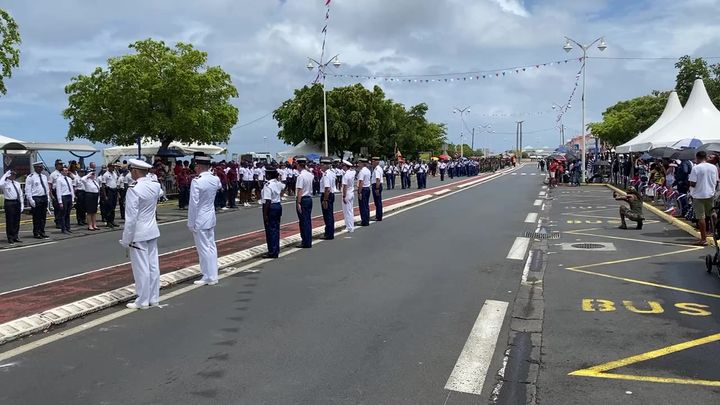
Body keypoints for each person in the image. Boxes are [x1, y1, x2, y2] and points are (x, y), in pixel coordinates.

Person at [120, 159, 162, 310]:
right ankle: (154, 297)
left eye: (132, 170)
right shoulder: (155, 185)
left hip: (138, 232)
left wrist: (126, 239)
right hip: (152, 229)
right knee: (153, 266)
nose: (131, 173)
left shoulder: (134, 188)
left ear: (136, 171)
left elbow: (131, 218)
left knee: (141, 268)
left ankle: (142, 300)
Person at [188, 155, 222, 285]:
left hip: (200, 218)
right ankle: (213, 275)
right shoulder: (215, 179)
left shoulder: (197, 181)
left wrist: (191, 222)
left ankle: (208, 275)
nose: (195, 169)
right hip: (210, 216)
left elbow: (193, 204)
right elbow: (218, 186)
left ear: (199, 166)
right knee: (211, 246)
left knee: (203, 249)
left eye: (196, 166)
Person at [689, 150, 719, 245]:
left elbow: (693, 183)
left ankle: (703, 239)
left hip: (698, 195)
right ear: (705, 157)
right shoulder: (713, 167)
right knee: (712, 213)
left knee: (701, 217)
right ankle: (716, 231)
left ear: (697, 158)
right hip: (710, 193)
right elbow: (716, 181)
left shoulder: (696, 168)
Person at [261, 167, 285, 258]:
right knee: (276, 229)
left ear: (269, 174)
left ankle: (272, 251)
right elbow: (284, 187)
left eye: (266, 173)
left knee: (270, 230)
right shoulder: (278, 183)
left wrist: (265, 214)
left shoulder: (268, 185)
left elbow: (267, 201)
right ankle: (276, 249)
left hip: (270, 207)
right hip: (278, 205)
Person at [25, 161, 50, 239]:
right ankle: (36, 232)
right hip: (36, 198)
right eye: (39, 167)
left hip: (43, 197)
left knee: (43, 216)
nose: (41, 168)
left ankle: (42, 231)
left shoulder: (44, 176)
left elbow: (46, 188)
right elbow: (28, 190)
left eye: (41, 167)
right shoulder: (30, 177)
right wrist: (30, 200)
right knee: (37, 217)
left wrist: (48, 196)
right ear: (35, 167)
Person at [295, 156, 314, 248]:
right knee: (307, 220)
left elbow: (300, 190)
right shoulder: (309, 175)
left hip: (302, 199)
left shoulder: (301, 176)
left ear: (299, 165)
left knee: (303, 221)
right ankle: (308, 240)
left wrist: (298, 202)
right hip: (309, 198)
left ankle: (305, 241)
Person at [0, 169, 24, 244]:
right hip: (9, 202)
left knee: (17, 221)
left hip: (17, 202)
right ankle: (10, 237)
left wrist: (22, 204)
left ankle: (15, 236)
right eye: (12, 174)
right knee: (10, 221)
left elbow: (20, 194)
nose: (13, 176)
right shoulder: (5, 184)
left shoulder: (17, 183)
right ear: (9, 175)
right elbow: (0, 184)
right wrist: (5, 175)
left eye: (14, 174)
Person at [319, 157, 337, 240]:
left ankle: (328, 234)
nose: (320, 166)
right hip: (331, 195)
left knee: (327, 215)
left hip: (327, 195)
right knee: (329, 214)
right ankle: (330, 232)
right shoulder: (332, 173)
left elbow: (327, 188)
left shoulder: (326, 174)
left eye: (321, 164)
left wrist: (325, 200)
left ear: (325, 165)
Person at [55, 167, 75, 234]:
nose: (66, 172)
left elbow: (71, 189)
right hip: (63, 197)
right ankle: (63, 229)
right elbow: (58, 191)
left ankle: (68, 227)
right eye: (65, 171)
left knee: (68, 214)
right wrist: (60, 201)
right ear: (62, 172)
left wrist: (72, 199)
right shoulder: (59, 180)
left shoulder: (69, 179)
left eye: (67, 171)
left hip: (69, 196)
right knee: (63, 214)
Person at [101, 162, 119, 228]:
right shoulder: (105, 175)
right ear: (109, 167)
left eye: (114, 167)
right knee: (109, 207)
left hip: (114, 190)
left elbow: (116, 183)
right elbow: (103, 185)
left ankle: (112, 221)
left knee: (113, 207)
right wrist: (105, 195)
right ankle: (108, 222)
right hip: (109, 191)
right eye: (112, 167)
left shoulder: (114, 174)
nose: (113, 168)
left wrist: (117, 193)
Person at [341, 160, 356, 233]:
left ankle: (349, 227)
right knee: (350, 210)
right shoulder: (352, 173)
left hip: (347, 193)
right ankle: (351, 225)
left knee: (347, 211)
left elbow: (344, 186)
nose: (342, 167)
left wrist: (344, 196)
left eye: (343, 166)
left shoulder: (346, 175)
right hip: (351, 192)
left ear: (346, 166)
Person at [357, 157, 372, 226]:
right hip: (367, 188)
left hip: (363, 189)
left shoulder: (362, 171)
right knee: (366, 205)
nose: (358, 164)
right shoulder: (368, 171)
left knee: (362, 206)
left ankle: (364, 221)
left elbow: (361, 182)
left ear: (362, 163)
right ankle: (367, 219)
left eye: (359, 163)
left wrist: (359, 192)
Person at [371, 157, 384, 221]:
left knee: (377, 202)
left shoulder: (377, 169)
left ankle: (379, 216)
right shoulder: (379, 168)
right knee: (378, 201)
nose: (372, 163)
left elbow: (378, 179)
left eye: (373, 161)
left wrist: (377, 188)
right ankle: (378, 215)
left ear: (376, 162)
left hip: (376, 186)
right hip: (377, 185)